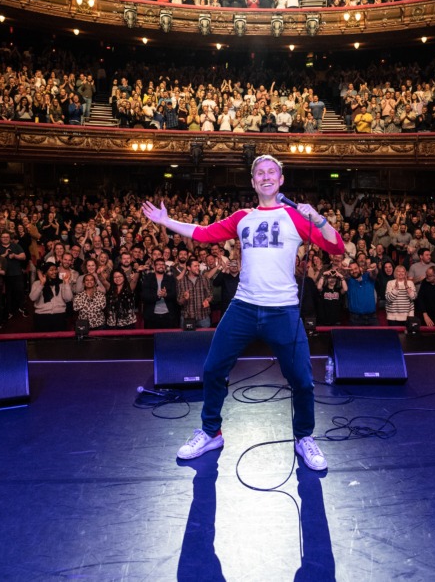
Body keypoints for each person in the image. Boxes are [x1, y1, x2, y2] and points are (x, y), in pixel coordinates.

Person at [142, 154, 345, 471]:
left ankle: (303, 437)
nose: (266, 176)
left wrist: (318, 218)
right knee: (212, 369)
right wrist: (166, 222)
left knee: (303, 381)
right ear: (253, 182)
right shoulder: (242, 217)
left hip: (283, 311)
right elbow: (203, 232)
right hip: (244, 307)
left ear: (280, 181)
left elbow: (336, 248)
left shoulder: (295, 217)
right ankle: (211, 432)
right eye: (260, 173)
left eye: (272, 172)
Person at [29, 261, 73, 332]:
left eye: (55, 269)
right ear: (46, 272)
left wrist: (67, 283)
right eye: (51, 270)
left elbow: (68, 298)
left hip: (59, 315)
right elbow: (32, 298)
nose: (54, 272)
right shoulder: (37, 283)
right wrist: (42, 284)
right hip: (42, 316)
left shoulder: (61, 283)